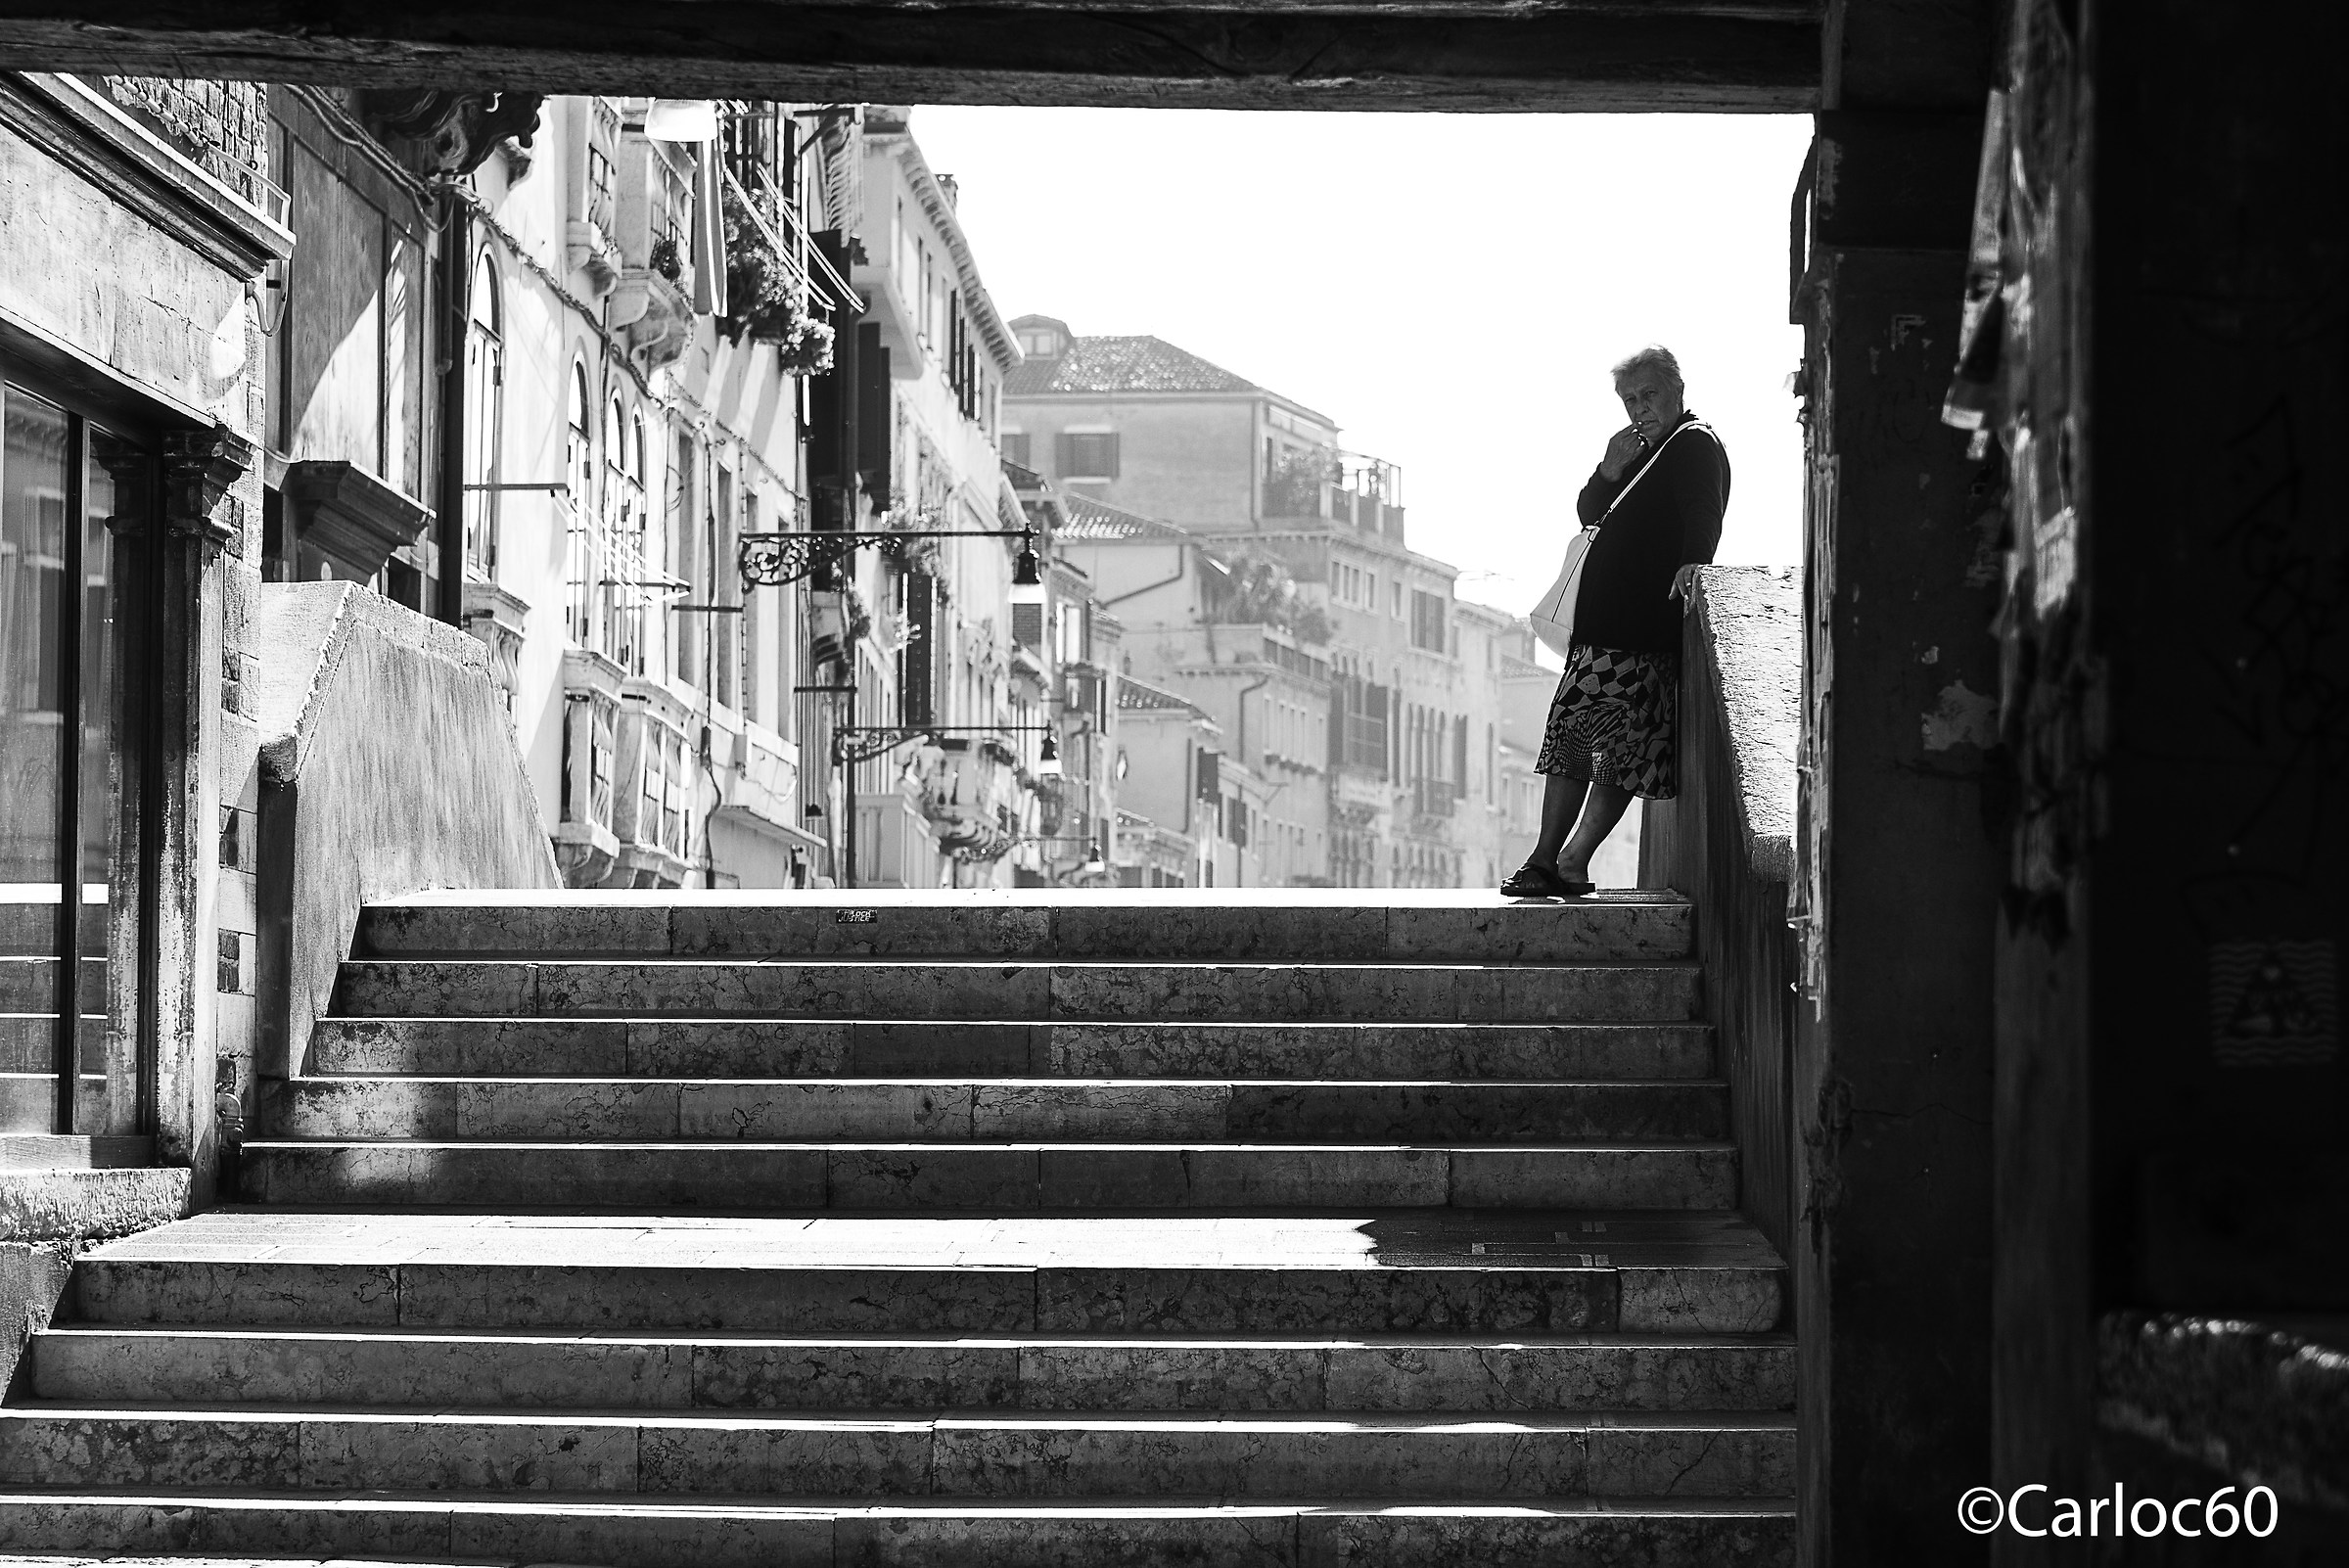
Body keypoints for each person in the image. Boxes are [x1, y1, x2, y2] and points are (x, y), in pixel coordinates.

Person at [1501, 346, 1729, 898]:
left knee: (1621, 753)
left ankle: (1568, 859)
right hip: (1602, 631)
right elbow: (1589, 512)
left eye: (1648, 395)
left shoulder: (1694, 445)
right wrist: (1609, 468)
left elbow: (1705, 511)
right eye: (1630, 400)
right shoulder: (1641, 452)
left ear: (1676, 388)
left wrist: (1694, 564)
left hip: (1643, 630)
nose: (1639, 409)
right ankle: (1549, 859)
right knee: (1574, 741)